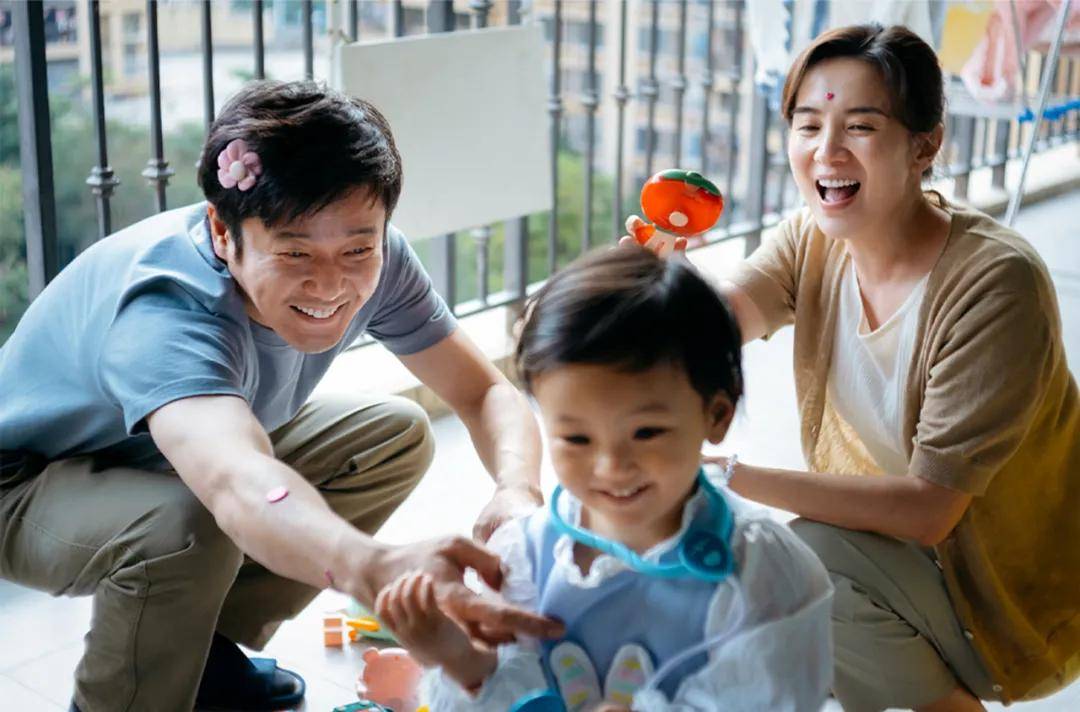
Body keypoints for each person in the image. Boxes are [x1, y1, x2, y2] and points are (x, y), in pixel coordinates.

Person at [0, 80, 562, 712]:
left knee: (390, 435)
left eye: (357, 248)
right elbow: (236, 481)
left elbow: (482, 391)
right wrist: (375, 568)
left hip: (153, 453)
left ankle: (197, 653)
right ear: (222, 230)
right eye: (295, 252)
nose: (330, 283)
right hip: (24, 479)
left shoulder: (378, 258)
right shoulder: (167, 310)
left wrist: (517, 490)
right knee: (184, 532)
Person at [629, 23, 1080, 712]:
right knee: (770, 584)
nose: (826, 151)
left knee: (799, 569)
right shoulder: (812, 239)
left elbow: (929, 509)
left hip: (1014, 601)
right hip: (897, 555)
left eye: (860, 126)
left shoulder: (995, 285)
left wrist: (729, 476)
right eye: (808, 125)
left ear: (925, 145)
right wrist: (650, 289)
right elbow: (712, 329)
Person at [375, 247, 835, 711]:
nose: (611, 466)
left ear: (716, 415)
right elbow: (514, 694)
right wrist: (462, 660)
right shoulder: (526, 554)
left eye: (646, 432)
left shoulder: (762, 573)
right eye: (576, 438)